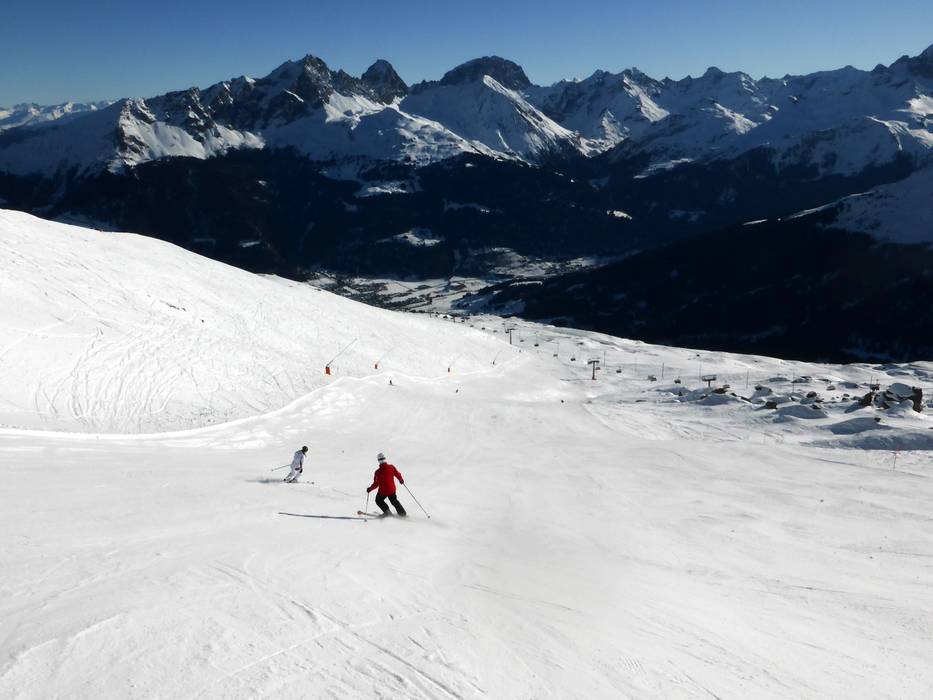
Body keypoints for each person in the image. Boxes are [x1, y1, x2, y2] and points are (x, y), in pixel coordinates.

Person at [366, 452, 407, 516]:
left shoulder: (378, 472)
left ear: (378, 461)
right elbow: (397, 474)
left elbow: (376, 484)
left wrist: (370, 489)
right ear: (385, 459)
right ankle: (403, 514)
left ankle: (387, 512)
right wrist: (401, 480)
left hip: (383, 491)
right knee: (394, 501)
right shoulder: (391, 467)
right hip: (392, 489)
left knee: (378, 500)